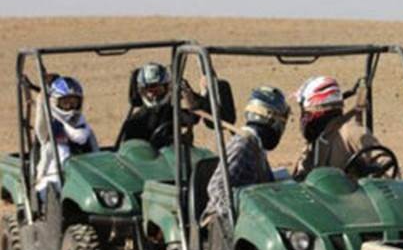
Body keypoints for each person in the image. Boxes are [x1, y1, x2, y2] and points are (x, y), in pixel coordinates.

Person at [202, 86, 289, 223]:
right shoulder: (244, 144)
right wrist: (242, 218)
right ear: (270, 120)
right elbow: (216, 187)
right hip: (223, 228)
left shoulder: (254, 143)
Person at [292, 75, 382, 179]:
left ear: (318, 109)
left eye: (305, 112)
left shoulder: (351, 132)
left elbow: (387, 167)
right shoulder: (315, 144)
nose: (303, 118)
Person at [35, 76, 99, 200]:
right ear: (54, 103)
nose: (70, 107)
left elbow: (96, 154)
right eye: (66, 103)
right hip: (54, 179)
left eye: (74, 103)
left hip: (82, 179)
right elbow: (40, 123)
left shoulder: (85, 128)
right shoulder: (49, 128)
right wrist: (41, 99)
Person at [119, 62, 204, 147]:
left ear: (167, 88)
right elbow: (129, 153)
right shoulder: (134, 122)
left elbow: (194, 118)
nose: (152, 95)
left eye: (157, 91)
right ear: (141, 91)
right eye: (148, 91)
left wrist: (187, 92)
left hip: (173, 158)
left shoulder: (172, 113)